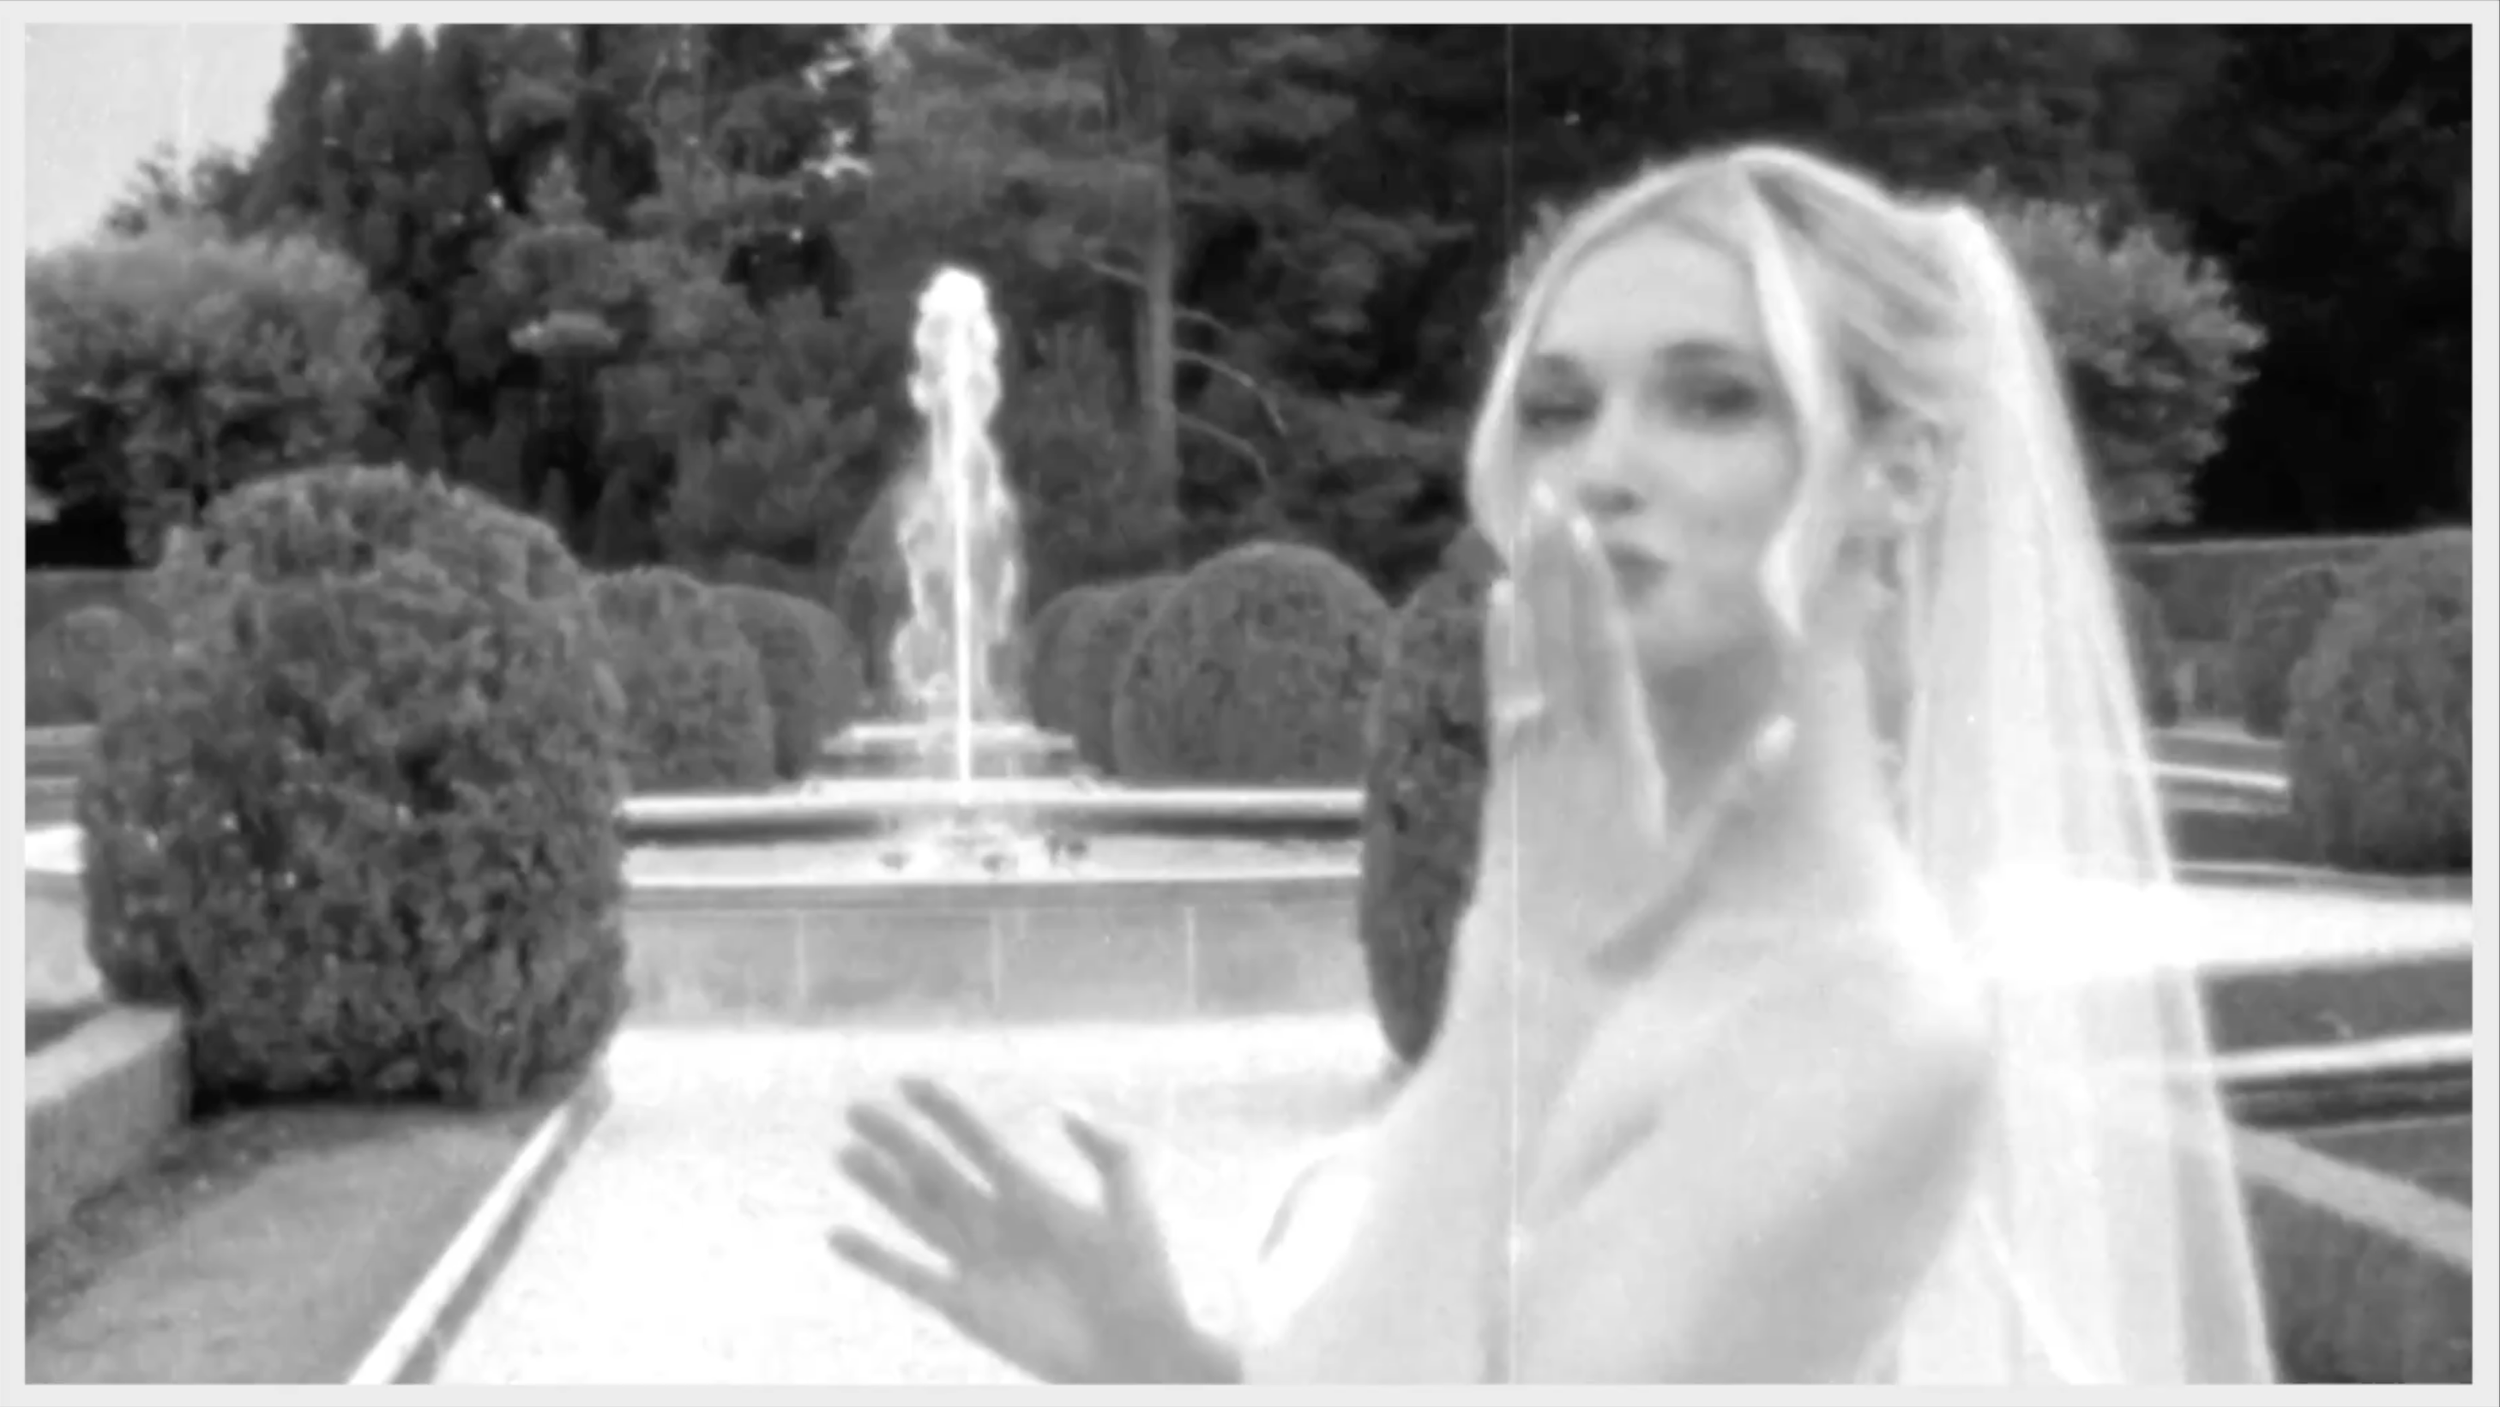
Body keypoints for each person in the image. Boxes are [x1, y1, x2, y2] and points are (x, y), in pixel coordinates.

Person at [823, 141, 2278, 1384]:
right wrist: (1172, 1363)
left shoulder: (1864, 1023)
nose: (1603, 465)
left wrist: (1523, 977)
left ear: (1896, 470)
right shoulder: (1607, 900)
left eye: (1713, 395)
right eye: (1563, 406)